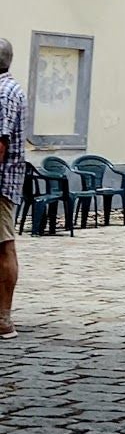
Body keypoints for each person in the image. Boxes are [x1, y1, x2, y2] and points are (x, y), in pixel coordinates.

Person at [0, 39, 26, 338]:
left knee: (4, 245)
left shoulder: (3, 92)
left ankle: (4, 318)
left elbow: (1, 141)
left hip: (1, 181)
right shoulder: (9, 87)